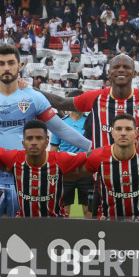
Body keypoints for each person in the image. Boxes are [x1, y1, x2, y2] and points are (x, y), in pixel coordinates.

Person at [0, 45, 91, 217]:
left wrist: (91, 147)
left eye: (11, 63)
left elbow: (60, 128)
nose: (6, 68)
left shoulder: (33, 96)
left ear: (20, 66)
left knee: (26, 235)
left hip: (26, 177)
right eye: (1, 63)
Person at [39, 54, 139, 148]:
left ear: (134, 73)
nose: (121, 69)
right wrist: (29, 90)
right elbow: (61, 102)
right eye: (116, 67)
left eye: (126, 67)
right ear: (109, 73)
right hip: (102, 172)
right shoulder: (95, 97)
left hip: (136, 171)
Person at [79, 114, 139, 222]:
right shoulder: (98, 156)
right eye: (118, 129)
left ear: (136, 133)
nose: (123, 133)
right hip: (107, 221)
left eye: (128, 129)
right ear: (112, 133)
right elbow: (74, 172)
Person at [0, 120, 88, 218]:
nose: (34, 142)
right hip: (25, 223)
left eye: (39, 138)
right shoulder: (15, 158)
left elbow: (90, 156)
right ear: (23, 143)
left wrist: (105, 150)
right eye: (29, 138)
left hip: (56, 224)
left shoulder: (60, 159)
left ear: (47, 142)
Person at [50, 90, 92, 218]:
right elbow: (53, 148)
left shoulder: (91, 122)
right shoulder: (61, 123)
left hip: (86, 169)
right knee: (65, 207)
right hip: (66, 170)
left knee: (87, 208)